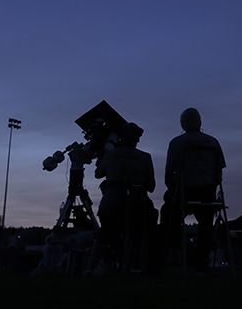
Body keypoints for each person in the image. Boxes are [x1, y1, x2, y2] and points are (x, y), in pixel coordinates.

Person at [150, 108, 226, 274]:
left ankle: (156, 264)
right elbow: (218, 174)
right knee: (205, 227)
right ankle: (201, 265)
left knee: (166, 222)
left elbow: (169, 172)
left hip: (184, 193)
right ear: (200, 122)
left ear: (182, 124)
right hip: (207, 195)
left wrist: (172, 189)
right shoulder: (214, 142)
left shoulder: (177, 142)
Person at [88, 122, 155, 273]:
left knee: (105, 235)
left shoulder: (111, 155)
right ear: (137, 139)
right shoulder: (145, 157)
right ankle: (141, 267)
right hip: (139, 206)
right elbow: (151, 186)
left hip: (112, 203)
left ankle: (90, 269)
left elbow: (98, 174)